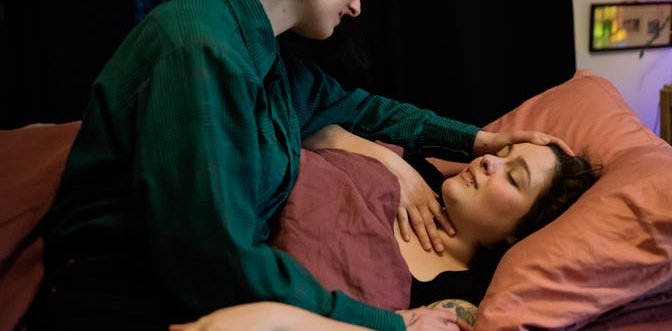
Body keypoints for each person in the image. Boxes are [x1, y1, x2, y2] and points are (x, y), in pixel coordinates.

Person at [26, 0, 576, 330]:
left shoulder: (270, 62)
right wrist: (387, 322)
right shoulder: (199, 49)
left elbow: (370, 110)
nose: (357, 4)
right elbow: (217, 263)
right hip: (122, 300)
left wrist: (479, 139)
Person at [168, 125, 600, 331]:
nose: (491, 161)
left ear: (518, 233)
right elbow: (308, 130)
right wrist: (394, 164)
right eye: (502, 152)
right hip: (215, 222)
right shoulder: (420, 172)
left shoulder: (462, 296)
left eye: (513, 176)